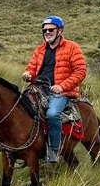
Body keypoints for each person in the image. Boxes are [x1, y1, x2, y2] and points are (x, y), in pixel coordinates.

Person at [22, 15, 88, 163]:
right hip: (38, 88)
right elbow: (31, 68)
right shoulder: (40, 50)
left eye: (51, 30)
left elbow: (81, 71)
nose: (47, 32)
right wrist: (28, 74)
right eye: (44, 30)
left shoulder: (72, 47)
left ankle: (54, 150)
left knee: (52, 114)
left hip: (61, 91)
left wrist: (62, 86)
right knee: (19, 107)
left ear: (60, 31)